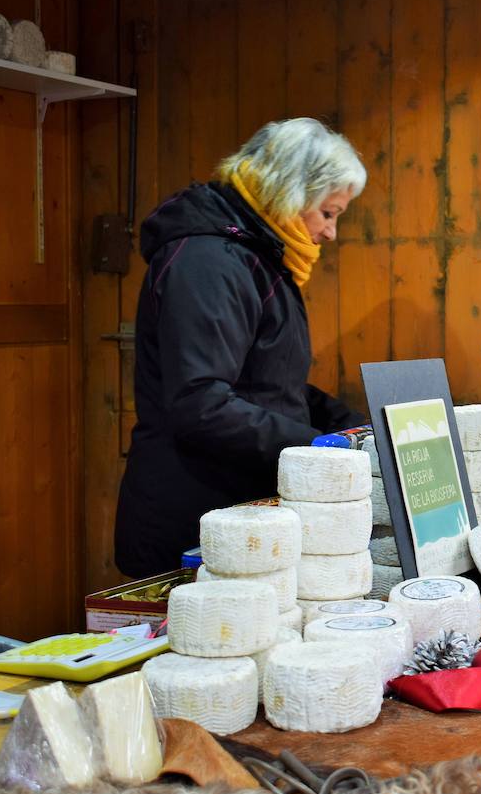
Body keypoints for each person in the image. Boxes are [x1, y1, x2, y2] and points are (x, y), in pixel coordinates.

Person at [114, 118, 368, 578]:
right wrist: (312, 447)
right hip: (193, 518)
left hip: (235, 507)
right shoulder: (208, 261)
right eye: (328, 213)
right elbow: (200, 403)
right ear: (290, 194)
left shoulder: (259, 257)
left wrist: (347, 428)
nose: (330, 233)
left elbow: (267, 381)